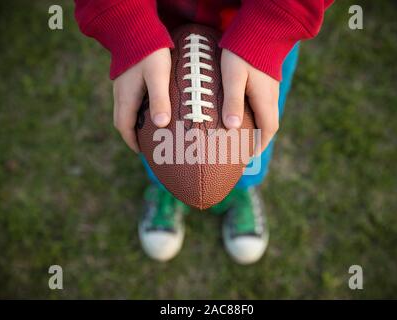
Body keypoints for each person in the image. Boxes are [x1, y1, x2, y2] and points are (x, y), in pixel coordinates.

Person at [74, 0, 333, 264]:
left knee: (248, 117)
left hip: (258, 23)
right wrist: (126, 24)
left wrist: (272, 25)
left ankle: (242, 185)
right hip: (155, 24)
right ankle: (165, 185)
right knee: (159, 116)